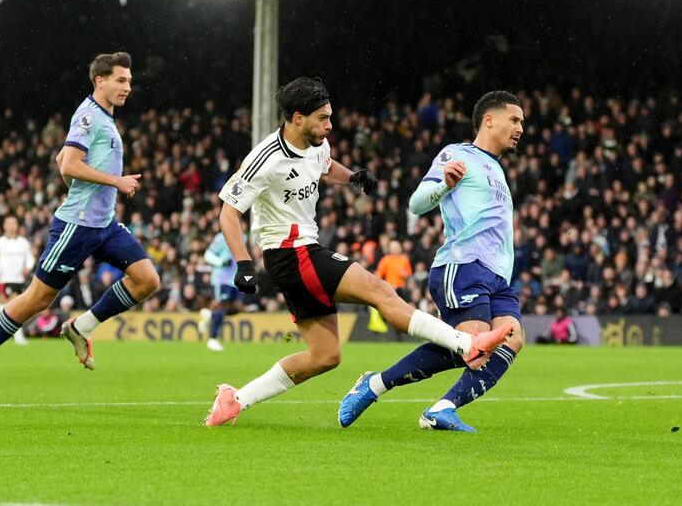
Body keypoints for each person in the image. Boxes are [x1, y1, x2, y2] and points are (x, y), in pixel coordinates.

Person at [205, 78, 512, 427]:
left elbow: (325, 165)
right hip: (291, 253)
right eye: (322, 118)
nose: (330, 125)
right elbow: (228, 211)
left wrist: (352, 177)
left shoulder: (317, 143)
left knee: (325, 356)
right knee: (381, 291)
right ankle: (465, 344)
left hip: (303, 254)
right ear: (297, 117)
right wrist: (243, 262)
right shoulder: (265, 158)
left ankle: (236, 400)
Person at [0, 52, 160, 402]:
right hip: (77, 226)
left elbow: (60, 159)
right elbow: (68, 164)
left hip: (105, 225)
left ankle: (81, 327)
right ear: (100, 81)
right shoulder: (88, 115)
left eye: (129, 80)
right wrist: (115, 181)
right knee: (38, 299)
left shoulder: (105, 118)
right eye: (121, 80)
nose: (128, 86)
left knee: (147, 279)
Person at [339, 90, 526, 432]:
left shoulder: (497, 171)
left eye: (522, 123)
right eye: (514, 120)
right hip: (463, 265)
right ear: (489, 120)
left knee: (511, 339)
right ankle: (375, 385)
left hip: (497, 276)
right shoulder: (457, 154)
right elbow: (417, 203)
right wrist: (444, 184)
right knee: (473, 346)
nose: (520, 128)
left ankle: (442, 408)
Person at [0, 215, 36, 345]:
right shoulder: (0, 242)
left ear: (17, 226)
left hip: (19, 279)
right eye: (9, 223)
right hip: (4, 278)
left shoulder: (23, 242)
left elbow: (30, 258)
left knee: (9, 307)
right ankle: (18, 336)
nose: (11, 226)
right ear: (4, 226)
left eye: (14, 223)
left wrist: (28, 267)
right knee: (14, 307)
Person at [199, 231, 242, 351]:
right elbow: (208, 254)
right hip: (221, 279)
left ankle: (210, 315)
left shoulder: (242, 236)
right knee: (221, 307)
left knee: (237, 307)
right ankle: (212, 339)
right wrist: (221, 262)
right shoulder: (221, 237)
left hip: (236, 279)